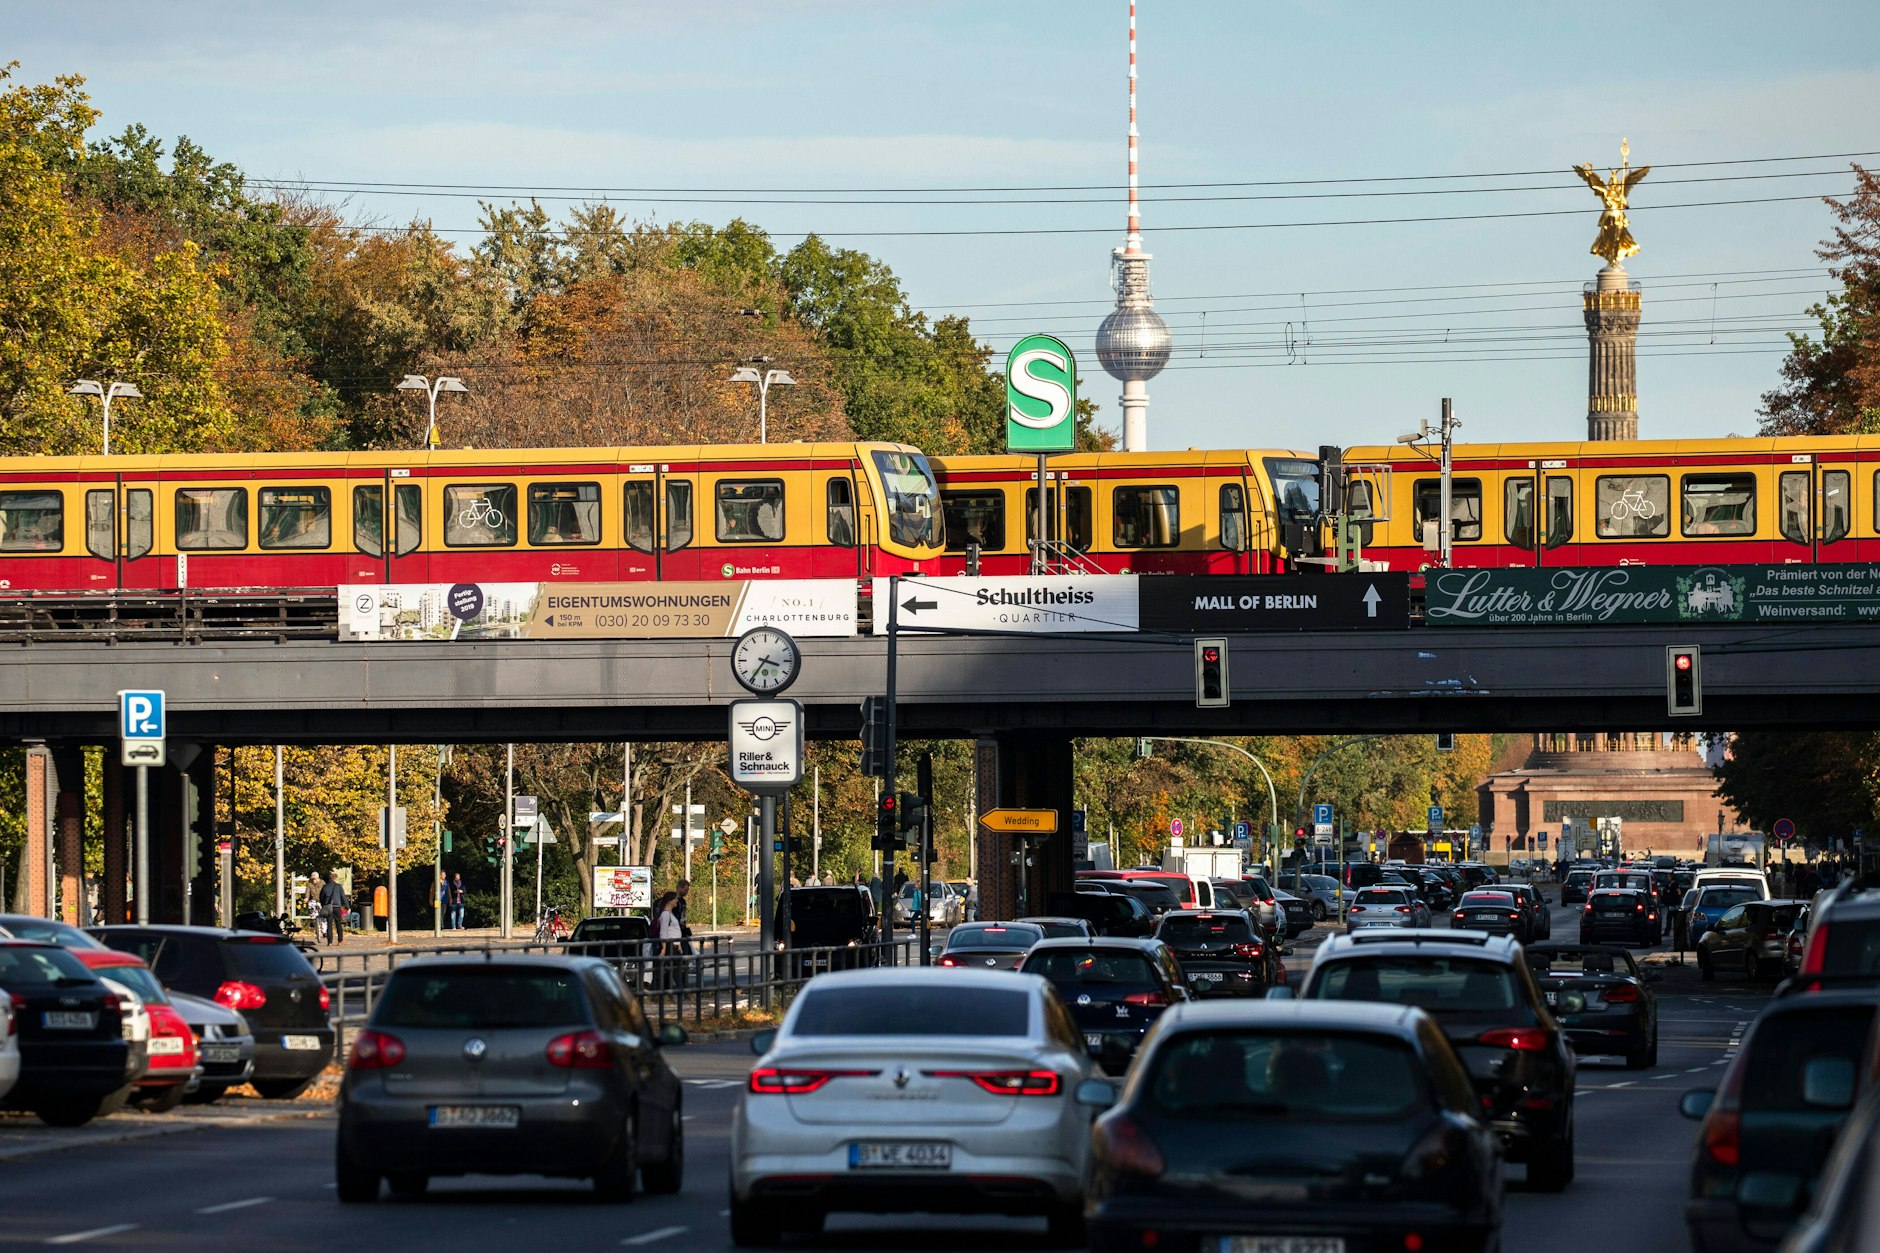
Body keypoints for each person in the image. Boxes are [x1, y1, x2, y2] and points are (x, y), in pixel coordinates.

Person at [654, 891, 683, 990]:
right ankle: (681, 993)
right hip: (669, 946)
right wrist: (663, 948)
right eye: (675, 899)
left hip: (674, 946)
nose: (677, 901)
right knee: (672, 971)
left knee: (674, 970)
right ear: (670, 901)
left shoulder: (670, 914)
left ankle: (680, 993)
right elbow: (663, 932)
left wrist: (679, 944)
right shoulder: (666, 914)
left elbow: (674, 930)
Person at [319, 872, 348, 944]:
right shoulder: (338, 886)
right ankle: (340, 940)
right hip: (337, 907)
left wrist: (323, 905)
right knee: (338, 923)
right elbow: (343, 897)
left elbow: (321, 897)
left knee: (329, 924)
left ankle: (330, 941)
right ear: (335, 878)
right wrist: (347, 906)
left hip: (328, 907)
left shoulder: (325, 886)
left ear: (329, 879)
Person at [308, 872, 328, 944]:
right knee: (311, 908)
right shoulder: (309, 883)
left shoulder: (322, 883)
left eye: (315, 879)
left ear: (318, 878)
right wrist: (306, 898)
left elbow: (326, 891)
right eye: (312, 879)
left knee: (323, 915)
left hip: (321, 900)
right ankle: (312, 921)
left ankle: (324, 931)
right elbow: (307, 891)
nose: (313, 880)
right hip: (313, 899)